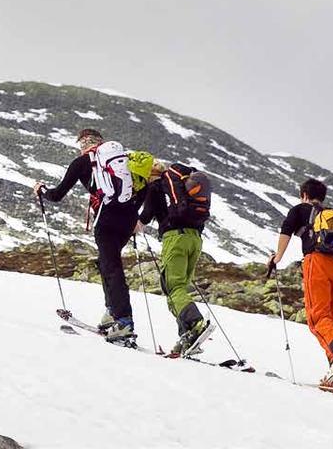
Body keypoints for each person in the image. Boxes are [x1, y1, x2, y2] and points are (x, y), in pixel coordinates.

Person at [33, 128, 139, 344]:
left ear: (82, 144)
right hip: (128, 216)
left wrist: (41, 189)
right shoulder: (123, 159)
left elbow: (57, 194)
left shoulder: (82, 163)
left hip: (107, 217)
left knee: (111, 267)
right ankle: (112, 312)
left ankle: (124, 320)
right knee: (107, 262)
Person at [268, 178, 333, 388]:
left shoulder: (300, 209)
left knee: (318, 319)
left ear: (304, 195)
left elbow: (286, 231)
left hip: (317, 263)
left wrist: (277, 258)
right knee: (329, 319)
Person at [135, 160, 213, 355]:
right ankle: (187, 337)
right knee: (178, 291)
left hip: (175, 239)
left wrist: (133, 225)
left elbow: (145, 217)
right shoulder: (182, 188)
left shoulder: (155, 187)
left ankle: (195, 323)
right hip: (195, 240)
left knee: (173, 287)